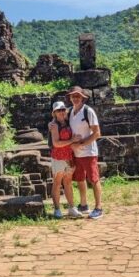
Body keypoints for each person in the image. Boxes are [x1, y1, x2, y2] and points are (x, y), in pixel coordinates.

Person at [66, 86, 104, 219]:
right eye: (73, 96)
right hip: (76, 153)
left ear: (82, 97)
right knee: (80, 179)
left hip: (89, 152)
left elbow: (97, 133)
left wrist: (80, 144)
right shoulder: (70, 112)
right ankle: (83, 204)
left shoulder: (88, 111)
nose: (75, 98)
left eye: (78, 96)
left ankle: (99, 207)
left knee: (93, 179)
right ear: (70, 98)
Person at [48, 101, 84, 219]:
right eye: (59, 110)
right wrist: (72, 141)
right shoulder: (54, 126)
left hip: (69, 156)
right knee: (57, 182)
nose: (62, 112)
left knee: (68, 182)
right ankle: (57, 209)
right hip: (58, 156)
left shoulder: (69, 122)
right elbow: (56, 143)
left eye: (63, 110)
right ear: (54, 113)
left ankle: (71, 207)